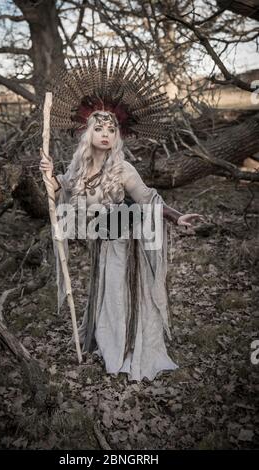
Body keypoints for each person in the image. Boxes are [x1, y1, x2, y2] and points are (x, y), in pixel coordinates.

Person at [39, 109, 205, 381]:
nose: (105, 135)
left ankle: (128, 349)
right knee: (109, 296)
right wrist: (48, 173)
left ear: (117, 137)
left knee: (120, 294)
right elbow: (59, 188)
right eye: (99, 129)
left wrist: (177, 217)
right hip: (103, 244)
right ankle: (111, 343)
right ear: (87, 134)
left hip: (127, 243)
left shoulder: (122, 169)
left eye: (111, 130)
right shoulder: (78, 169)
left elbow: (150, 199)